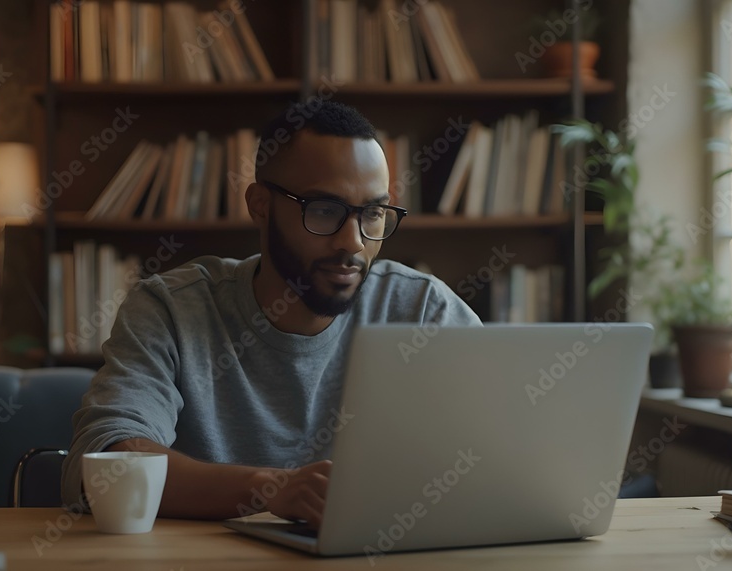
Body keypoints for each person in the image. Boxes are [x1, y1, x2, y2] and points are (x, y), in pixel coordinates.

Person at [61, 100, 481, 528]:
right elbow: (106, 462)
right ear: (260, 205)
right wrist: (270, 489)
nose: (353, 243)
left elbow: (507, 451)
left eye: (372, 213)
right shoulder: (172, 309)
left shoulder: (422, 310)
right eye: (324, 210)